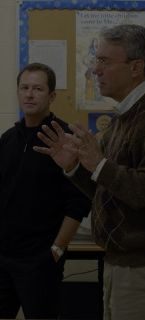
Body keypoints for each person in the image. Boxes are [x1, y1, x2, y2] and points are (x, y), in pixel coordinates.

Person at [35, 24, 145, 320]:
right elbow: (108, 188)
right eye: (97, 60)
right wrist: (74, 167)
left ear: (136, 67)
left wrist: (99, 165)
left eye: (105, 61)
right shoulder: (125, 116)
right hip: (125, 265)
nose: (95, 70)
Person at [0, 63, 90, 319]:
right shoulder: (8, 139)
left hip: (40, 260)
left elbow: (79, 201)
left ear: (51, 96)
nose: (29, 94)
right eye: (24, 88)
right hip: (4, 256)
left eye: (37, 89)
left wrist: (57, 249)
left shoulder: (64, 139)